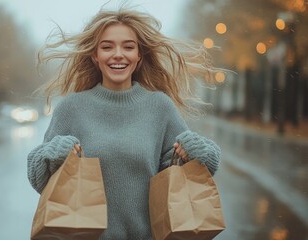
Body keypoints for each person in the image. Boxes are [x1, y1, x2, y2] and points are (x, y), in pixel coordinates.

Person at [27, 6, 221, 240]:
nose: (118, 54)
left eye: (128, 47)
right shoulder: (72, 108)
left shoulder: (160, 107)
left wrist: (202, 153)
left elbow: (184, 176)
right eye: (107, 47)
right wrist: (54, 153)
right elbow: (38, 178)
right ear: (95, 56)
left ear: (139, 56)